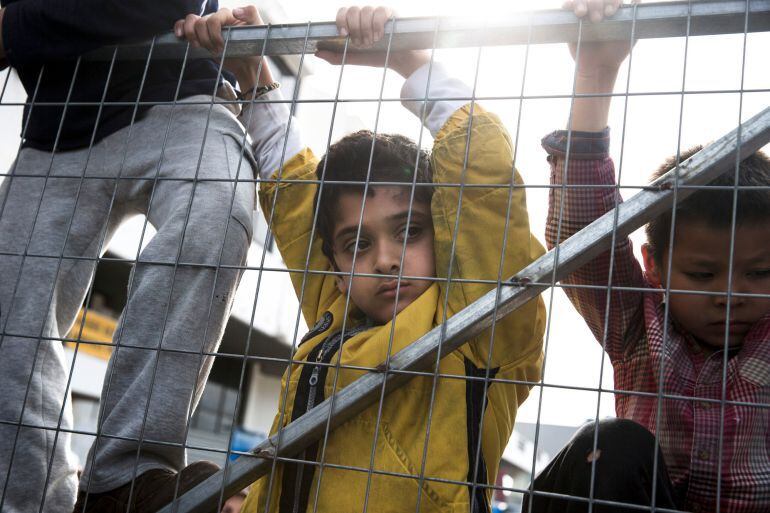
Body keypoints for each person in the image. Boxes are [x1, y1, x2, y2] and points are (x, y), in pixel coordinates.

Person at [177, 5, 546, 511]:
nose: (386, 260)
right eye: (358, 244)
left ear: (445, 233)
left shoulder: (477, 326)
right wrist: (254, 73)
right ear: (336, 261)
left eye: (409, 232)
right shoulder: (337, 311)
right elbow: (294, 201)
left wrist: (408, 60)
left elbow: (484, 181)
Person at [0, 0, 256, 511]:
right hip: (57, 129)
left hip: (183, 99)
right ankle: (27, 500)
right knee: (9, 311)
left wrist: (17, 26)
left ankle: (124, 478)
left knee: (216, 212)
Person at [526, 0, 770, 511]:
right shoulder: (637, 321)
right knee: (610, 443)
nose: (731, 295)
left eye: (760, 273)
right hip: (646, 500)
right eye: (702, 274)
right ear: (653, 266)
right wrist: (596, 70)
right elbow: (582, 233)